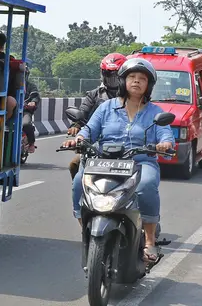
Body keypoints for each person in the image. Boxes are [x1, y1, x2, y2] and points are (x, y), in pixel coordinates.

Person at [63, 58, 174, 264]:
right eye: (132, 77)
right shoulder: (106, 107)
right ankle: (86, 229)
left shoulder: (155, 112)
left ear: (149, 85)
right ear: (123, 81)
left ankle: (149, 240)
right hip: (104, 161)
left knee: (147, 185)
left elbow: (166, 134)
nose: (136, 81)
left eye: (142, 79)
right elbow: (89, 130)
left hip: (140, 162)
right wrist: (79, 138)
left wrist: (164, 144)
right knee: (80, 181)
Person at [66, 53, 126, 178]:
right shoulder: (94, 95)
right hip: (96, 143)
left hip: (125, 145)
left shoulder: (133, 97)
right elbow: (83, 111)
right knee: (74, 165)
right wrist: (76, 125)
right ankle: (82, 196)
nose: (111, 79)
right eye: (108, 75)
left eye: (115, 76)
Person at [23, 68, 42, 153]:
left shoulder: (30, 86)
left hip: (24, 111)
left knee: (26, 124)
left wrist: (33, 102)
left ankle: (31, 143)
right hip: (10, 110)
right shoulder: (8, 84)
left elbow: (35, 96)